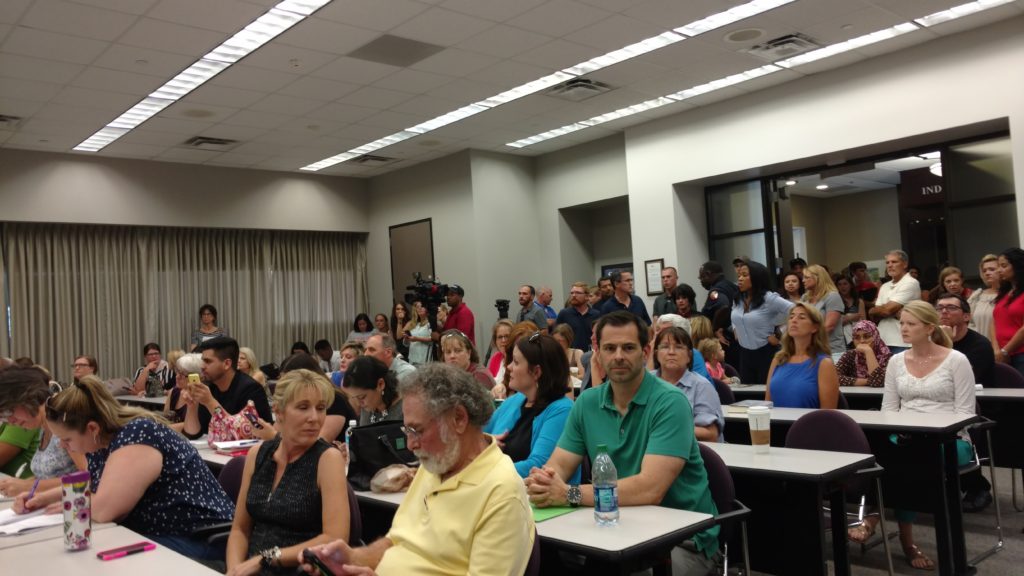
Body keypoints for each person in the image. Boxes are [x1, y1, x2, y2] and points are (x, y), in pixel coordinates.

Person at [526, 312, 719, 576]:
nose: (618, 356)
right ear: (598, 352)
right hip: (612, 528)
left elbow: (650, 489)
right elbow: (557, 465)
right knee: (538, 552)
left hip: (681, 540)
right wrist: (543, 483)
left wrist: (568, 494)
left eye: (628, 347)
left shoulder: (670, 402)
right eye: (609, 348)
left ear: (645, 351)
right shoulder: (587, 402)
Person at [298, 363, 534, 576]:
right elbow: (397, 540)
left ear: (459, 419)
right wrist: (353, 558)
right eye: (407, 431)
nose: (410, 445)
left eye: (417, 430)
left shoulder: (502, 492)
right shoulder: (435, 465)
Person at [16, 375, 234, 561]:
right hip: (160, 533)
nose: (64, 446)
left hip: (198, 538)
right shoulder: (100, 443)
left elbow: (104, 509)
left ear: (92, 427)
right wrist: (43, 498)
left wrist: (65, 500)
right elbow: (100, 482)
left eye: (66, 439)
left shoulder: (138, 435)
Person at [849, 301, 976, 570]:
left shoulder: (956, 361)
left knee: (910, 460)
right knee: (882, 453)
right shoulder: (896, 361)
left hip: (951, 440)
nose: (903, 329)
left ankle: (876, 519)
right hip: (907, 438)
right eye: (902, 323)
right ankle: (904, 539)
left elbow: (965, 413)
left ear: (929, 328)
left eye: (911, 324)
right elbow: (889, 410)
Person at [225, 369, 349, 576]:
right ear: (279, 411)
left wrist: (266, 559)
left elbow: (335, 537)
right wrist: (234, 569)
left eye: (320, 408)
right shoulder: (258, 454)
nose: (314, 418)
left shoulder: (327, 459)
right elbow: (240, 529)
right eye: (303, 407)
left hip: (299, 570)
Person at [484, 332, 577, 479]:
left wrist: (483, 471)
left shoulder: (562, 411)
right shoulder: (514, 401)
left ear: (536, 372)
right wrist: (485, 441)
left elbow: (538, 465)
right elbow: (477, 436)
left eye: (515, 362)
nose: (508, 367)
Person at [935, 292, 995, 512]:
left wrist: (946, 344)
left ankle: (978, 487)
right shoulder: (930, 342)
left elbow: (958, 382)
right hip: (941, 406)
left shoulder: (979, 344)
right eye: (939, 308)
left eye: (950, 308)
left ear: (967, 317)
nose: (943, 312)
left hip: (980, 408)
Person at [0, 366, 87, 496]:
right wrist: (16, 485)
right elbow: (47, 476)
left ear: (27, 398)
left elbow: (87, 476)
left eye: (9, 411)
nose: (11, 421)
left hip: (72, 509)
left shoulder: (64, 423)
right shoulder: (44, 427)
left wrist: (29, 486)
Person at [182, 337, 275, 440]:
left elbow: (251, 433)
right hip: (211, 453)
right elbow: (193, 434)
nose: (202, 366)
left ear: (226, 364)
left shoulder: (251, 389)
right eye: (203, 361)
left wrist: (210, 402)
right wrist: (192, 406)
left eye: (208, 362)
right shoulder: (209, 387)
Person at [653, 327, 724, 442]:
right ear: (656, 354)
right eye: (665, 347)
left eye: (678, 347)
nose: (671, 352)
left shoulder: (702, 386)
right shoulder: (645, 382)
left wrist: (665, 429)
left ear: (689, 356)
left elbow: (710, 434)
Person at [765, 303, 839, 409]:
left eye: (801, 317)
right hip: (776, 424)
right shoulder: (778, 359)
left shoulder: (824, 364)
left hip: (809, 425)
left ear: (815, 327)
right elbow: (768, 404)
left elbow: (827, 415)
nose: (794, 320)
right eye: (791, 317)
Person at [732, 260, 794, 384]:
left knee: (765, 396)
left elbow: (796, 311)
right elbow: (734, 315)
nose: (740, 279)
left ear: (756, 277)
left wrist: (780, 334)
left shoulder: (769, 298)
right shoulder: (738, 298)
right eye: (739, 276)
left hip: (766, 353)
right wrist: (735, 329)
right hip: (744, 353)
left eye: (745, 275)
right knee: (748, 396)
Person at [279, 354, 357, 445]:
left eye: (320, 408)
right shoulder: (293, 400)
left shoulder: (334, 399)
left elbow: (319, 443)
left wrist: (272, 436)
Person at [869, 250, 921, 353]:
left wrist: (883, 310)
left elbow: (887, 310)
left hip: (903, 342)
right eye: (887, 263)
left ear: (905, 264)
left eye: (894, 262)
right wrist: (875, 310)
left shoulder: (911, 283)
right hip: (883, 340)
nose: (890, 265)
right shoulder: (884, 286)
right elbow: (874, 315)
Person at [802, 264, 845, 362]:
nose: (803, 280)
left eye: (806, 277)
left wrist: (806, 338)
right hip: (810, 351)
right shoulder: (805, 298)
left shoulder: (832, 296)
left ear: (818, 278)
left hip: (832, 352)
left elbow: (829, 326)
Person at [343, 356, 403, 426]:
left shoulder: (405, 409)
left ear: (380, 384)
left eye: (362, 397)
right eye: (354, 398)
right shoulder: (369, 407)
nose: (358, 404)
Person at [993, 248, 1024, 376]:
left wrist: (1005, 351)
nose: (999, 270)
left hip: (1020, 354)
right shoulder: (1004, 293)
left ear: (1017, 266)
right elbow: (994, 322)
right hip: (1002, 356)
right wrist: (996, 351)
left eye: (1004, 266)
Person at [834, 320, 891, 388]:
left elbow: (877, 382)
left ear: (876, 337)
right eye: (857, 338)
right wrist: (868, 381)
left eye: (866, 336)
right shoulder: (850, 355)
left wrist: (868, 352)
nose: (862, 341)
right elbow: (833, 378)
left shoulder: (887, 357)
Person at [555, 281, 601, 352]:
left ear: (587, 296)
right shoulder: (564, 314)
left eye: (578, 293)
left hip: (591, 354)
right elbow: (556, 337)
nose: (573, 295)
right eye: (572, 293)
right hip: (570, 355)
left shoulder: (596, 315)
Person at [967, 254, 1000, 342]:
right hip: (981, 346)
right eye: (984, 270)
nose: (987, 273)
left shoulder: (1011, 295)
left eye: (992, 269)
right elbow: (968, 322)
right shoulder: (977, 296)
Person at [165, 352, 202, 431]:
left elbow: (199, 423)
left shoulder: (200, 396)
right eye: (177, 372)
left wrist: (163, 429)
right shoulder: (173, 392)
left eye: (182, 375)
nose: (177, 377)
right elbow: (165, 417)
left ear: (195, 377)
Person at [835, 273, 865, 347]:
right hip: (841, 338)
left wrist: (845, 318)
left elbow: (864, 321)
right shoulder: (835, 301)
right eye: (839, 284)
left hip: (857, 335)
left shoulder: (858, 301)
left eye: (845, 284)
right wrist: (850, 318)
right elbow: (835, 323)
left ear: (851, 285)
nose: (842, 287)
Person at [403, 301, 434, 366]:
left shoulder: (430, 323)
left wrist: (417, 339)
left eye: (421, 306)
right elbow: (406, 344)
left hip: (424, 360)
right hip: (412, 358)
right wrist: (406, 338)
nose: (420, 308)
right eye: (417, 307)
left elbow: (433, 340)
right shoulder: (414, 325)